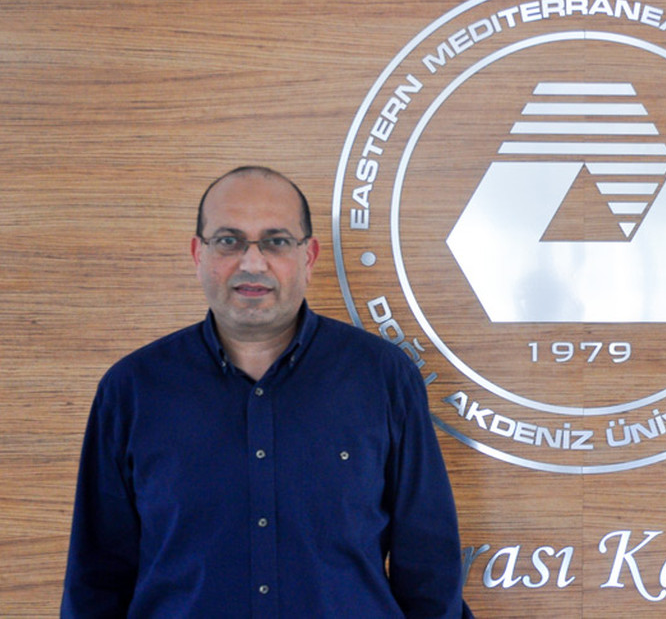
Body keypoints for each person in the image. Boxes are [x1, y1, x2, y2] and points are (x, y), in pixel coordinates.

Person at [62, 166, 471, 617]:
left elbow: (430, 570)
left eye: (276, 241)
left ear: (309, 256)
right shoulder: (132, 390)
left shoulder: (383, 378)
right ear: (198, 253)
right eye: (228, 241)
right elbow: (96, 580)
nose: (252, 263)